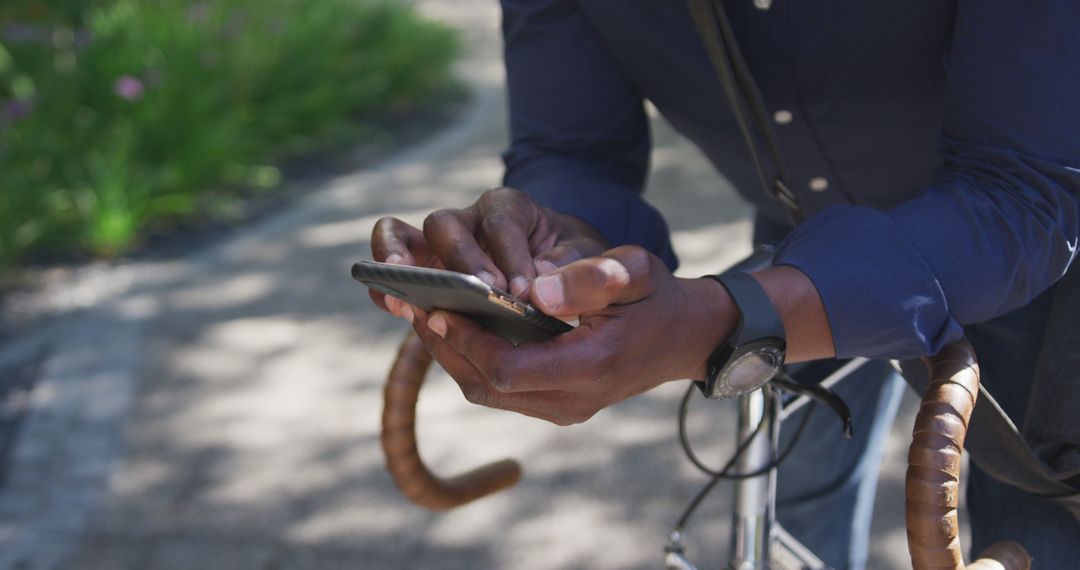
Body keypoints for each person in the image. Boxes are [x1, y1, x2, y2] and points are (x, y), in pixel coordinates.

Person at [369, 1, 1080, 567]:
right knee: (787, 514)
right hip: (805, 236)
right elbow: (572, 147)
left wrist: (731, 318)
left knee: (1037, 541)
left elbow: (1025, 188)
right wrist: (552, 241)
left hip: (1035, 255)